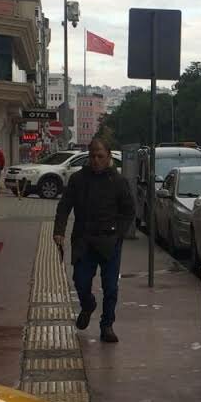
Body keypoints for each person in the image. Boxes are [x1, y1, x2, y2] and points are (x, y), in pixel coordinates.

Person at [53, 139, 134, 344]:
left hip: (109, 242)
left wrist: (119, 234)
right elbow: (64, 206)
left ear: (108, 157)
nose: (96, 160)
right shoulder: (78, 179)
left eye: (100, 156)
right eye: (92, 156)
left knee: (111, 288)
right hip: (84, 240)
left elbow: (129, 211)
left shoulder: (118, 182)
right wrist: (59, 231)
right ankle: (88, 305)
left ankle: (107, 325)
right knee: (80, 281)